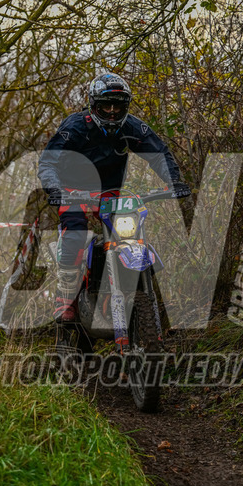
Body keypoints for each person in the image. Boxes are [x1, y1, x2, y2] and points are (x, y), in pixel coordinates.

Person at [38, 72, 191, 322]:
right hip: (71, 191)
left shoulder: (132, 126)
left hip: (109, 191)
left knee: (129, 233)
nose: (111, 112)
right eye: (105, 106)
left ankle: (127, 289)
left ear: (125, 107)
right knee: (75, 233)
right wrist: (53, 188)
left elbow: (158, 153)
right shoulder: (75, 127)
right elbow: (48, 161)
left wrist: (173, 181)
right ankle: (65, 297)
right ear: (93, 105)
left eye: (117, 106)